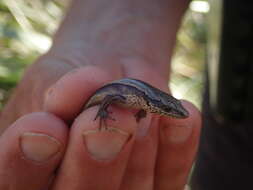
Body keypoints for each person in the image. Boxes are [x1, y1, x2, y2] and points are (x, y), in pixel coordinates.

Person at [0, 0, 201, 189]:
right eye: (167, 108)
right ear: (153, 103)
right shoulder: (135, 97)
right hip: (92, 100)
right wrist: (103, 112)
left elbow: (136, 105)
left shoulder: (142, 101)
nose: (174, 113)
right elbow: (110, 97)